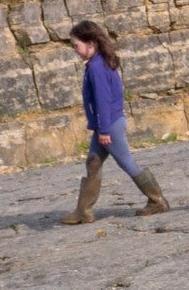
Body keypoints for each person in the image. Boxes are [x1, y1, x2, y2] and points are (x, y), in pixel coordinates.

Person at [60, 19, 170, 224]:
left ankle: (157, 201)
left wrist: (103, 130)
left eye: (76, 45)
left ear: (90, 43)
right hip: (108, 123)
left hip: (109, 125)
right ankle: (83, 211)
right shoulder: (99, 62)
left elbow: (103, 100)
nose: (75, 50)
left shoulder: (96, 67)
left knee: (126, 162)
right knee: (93, 163)